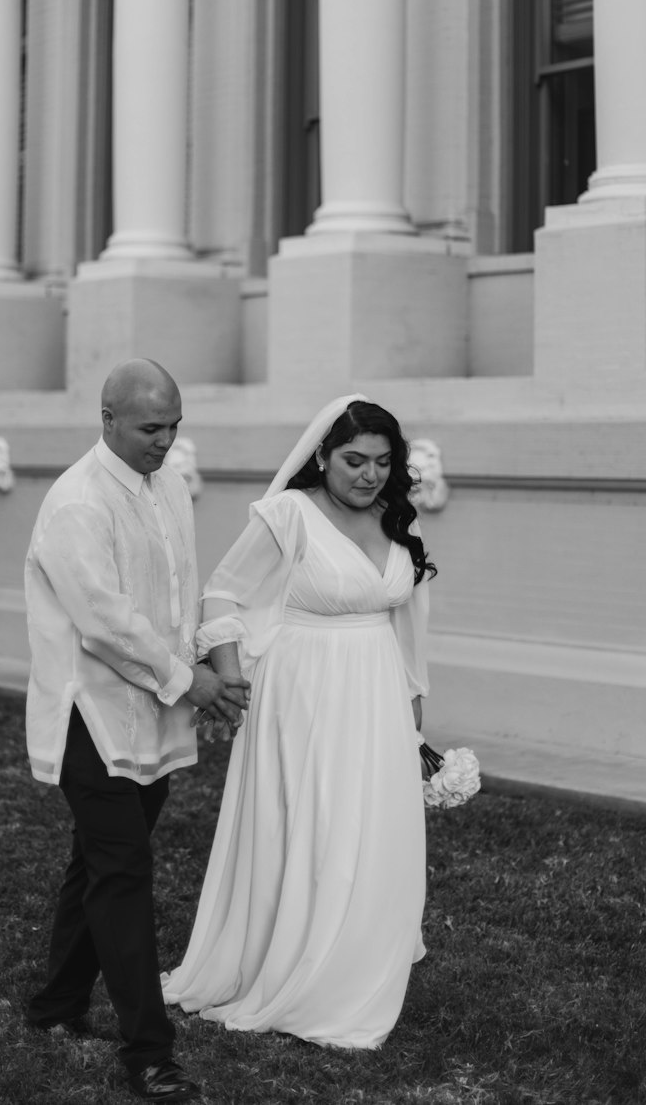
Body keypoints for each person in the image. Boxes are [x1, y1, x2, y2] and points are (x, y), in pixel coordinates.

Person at [163, 394, 436, 1051]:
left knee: (370, 824)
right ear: (322, 455)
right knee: (312, 821)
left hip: (375, 690)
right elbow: (222, 591)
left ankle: (356, 951)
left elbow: (407, 628)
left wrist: (415, 717)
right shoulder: (291, 512)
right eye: (353, 459)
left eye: (381, 461)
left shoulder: (396, 520)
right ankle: (295, 961)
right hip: (304, 692)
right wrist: (230, 677)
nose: (368, 474)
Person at [24, 358, 250, 1103]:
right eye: (153, 427)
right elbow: (106, 624)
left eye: (175, 426)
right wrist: (194, 682)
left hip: (153, 710)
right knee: (122, 872)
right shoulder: (77, 503)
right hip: (90, 713)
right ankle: (149, 1053)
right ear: (108, 418)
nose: (166, 440)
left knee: (99, 863)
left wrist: (202, 670)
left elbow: (176, 598)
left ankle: (55, 1006)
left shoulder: (171, 487)